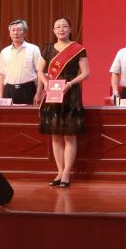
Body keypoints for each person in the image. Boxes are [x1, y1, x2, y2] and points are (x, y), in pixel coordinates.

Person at [37, 17, 89, 188]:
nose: (61, 29)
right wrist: (45, 82)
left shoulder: (78, 49)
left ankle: (67, 172)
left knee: (69, 135)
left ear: (70, 29)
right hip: (52, 93)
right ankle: (59, 171)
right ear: (54, 30)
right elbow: (40, 70)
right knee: (55, 135)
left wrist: (70, 84)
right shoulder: (48, 48)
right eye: (58, 27)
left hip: (70, 94)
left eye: (64, 26)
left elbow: (86, 73)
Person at [0, 19, 44, 105]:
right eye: (13, 30)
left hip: (28, 90)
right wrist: (1, 96)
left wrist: (39, 93)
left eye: (19, 30)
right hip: (9, 91)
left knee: (29, 114)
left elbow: (40, 72)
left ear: (25, 33)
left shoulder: (33, 49)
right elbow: (2, 75)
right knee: (8, 114)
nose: (15, 33)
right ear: (10, 33)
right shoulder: (4, 51)